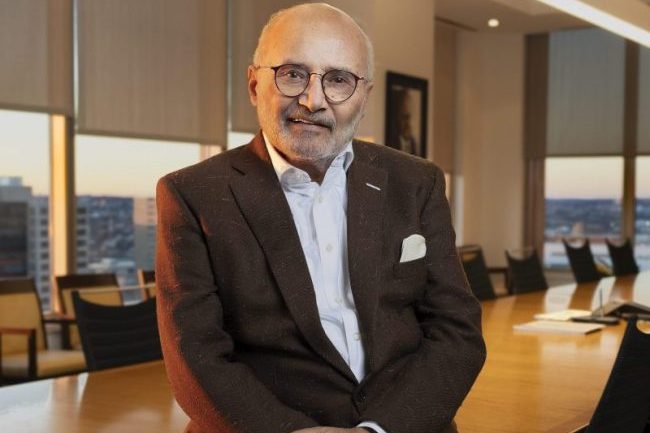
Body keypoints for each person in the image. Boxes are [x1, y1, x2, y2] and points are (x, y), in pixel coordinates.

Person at [156, 3, 485, 433]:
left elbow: (457, 331)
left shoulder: (416, 182)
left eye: (339, 80)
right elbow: (195, 356)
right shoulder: (191, 194)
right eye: (293, 74)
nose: (313, 101)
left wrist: (379, 430)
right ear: (254, 85)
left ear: (364, 97)